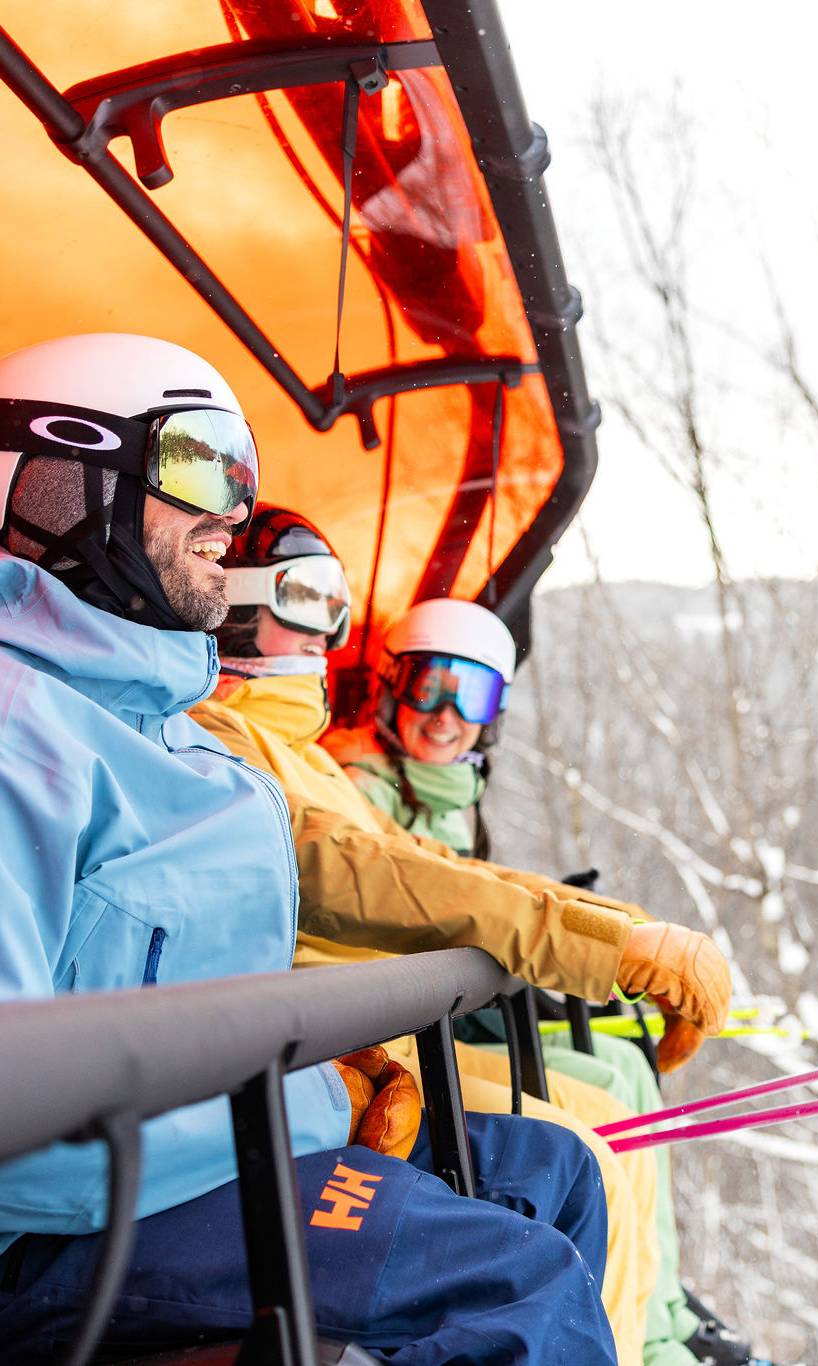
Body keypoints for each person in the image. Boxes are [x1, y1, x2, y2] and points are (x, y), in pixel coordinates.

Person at [0, 333, 618, 1364]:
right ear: (61, 478)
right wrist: (298, 1092)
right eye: (200, 460)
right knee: (518, 1290)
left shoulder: (178, 735)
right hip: (87, 1219)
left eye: (243, 470)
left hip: (236, 1134)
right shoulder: (27, 734)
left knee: (553, 1171)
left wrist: (323, 1073)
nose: (235, 509)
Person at [191, 505, 732, 1363]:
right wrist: (604, 945)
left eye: (336, 601)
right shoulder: (225, 738)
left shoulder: (301, 751)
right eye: (303, 594)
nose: (325, 623)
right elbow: (363, 870)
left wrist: (620, 932)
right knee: (583, 1140)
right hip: (348, 1052)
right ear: (240, 603)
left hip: (384, 1037)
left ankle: (650, 1335)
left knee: (593, 1127)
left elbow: (405, 862)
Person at [325, 598, 752, 1366]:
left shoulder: (449, 795)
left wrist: (598, 934)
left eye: (473, 695)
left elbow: (472, 885)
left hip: (440, 1011)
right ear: (393, 686)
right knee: (589, 1120)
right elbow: (428, 894)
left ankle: (658, 1306)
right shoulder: (360, 786)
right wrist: (590, 943)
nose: (447, 713)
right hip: (398, 1028)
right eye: (430, 685)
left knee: (621, 1066)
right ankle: (642, 1334)